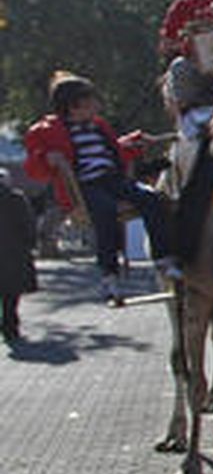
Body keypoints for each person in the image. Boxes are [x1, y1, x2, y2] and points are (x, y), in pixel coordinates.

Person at [24, 71, 176, 301]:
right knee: (105, 212)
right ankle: (109, 273)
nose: (97, 105)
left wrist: (134, 141)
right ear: (74, 107)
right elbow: (34, 166)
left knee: (152, 199)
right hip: (86, 185)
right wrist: (48, 158)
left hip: (112, 179)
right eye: (91, 102)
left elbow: (115, 150)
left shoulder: (98, 127)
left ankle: (163, 256)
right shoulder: (49, 132)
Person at [0, 173, 37, 345]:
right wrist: (30, 244)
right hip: (14, 252)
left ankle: (8, 324)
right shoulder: (17, 198)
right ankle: (10, 325)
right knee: (11, 294)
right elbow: (28, 223)